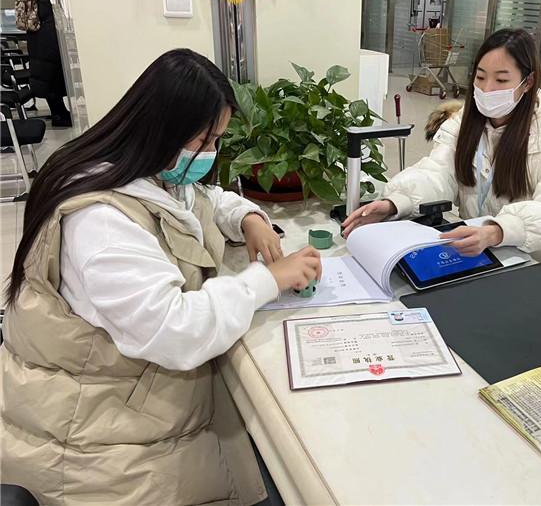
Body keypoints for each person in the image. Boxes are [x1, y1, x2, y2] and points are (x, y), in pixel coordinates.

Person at [1, 49, 322, 504]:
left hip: (122, 402)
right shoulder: (100, 223)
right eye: (205, 141)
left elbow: (199, 199)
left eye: (217, 141)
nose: (210, 154)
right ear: (162, 128)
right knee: (286, 473)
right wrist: (268, 279)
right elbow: (177, 329)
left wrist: (248, 218)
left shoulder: (147, 171)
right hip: (98, 444)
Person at [343, 28, 541, 273]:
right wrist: (396, 202)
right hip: (503, 259)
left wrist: (500, 230)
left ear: (527, 83)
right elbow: (438, 173)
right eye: (480, 77)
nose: (487, 89)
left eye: (501, 80)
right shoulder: (463, 123)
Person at [27, 0, 72, 127]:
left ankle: (59, 113)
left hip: (39, 43)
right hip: (48, 42)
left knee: (48, 81)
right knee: (52, 80)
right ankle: (59, 116)